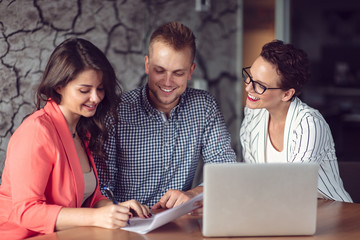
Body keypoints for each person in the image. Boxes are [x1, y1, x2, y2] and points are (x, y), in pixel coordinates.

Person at [0, 38, 151, 239]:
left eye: (100, 88)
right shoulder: (36, 131)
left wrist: (115, 209)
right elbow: (26, 211)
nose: (96, 98)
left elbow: (90, 195)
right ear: (59, 86)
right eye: (84, 90)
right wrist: (96, 217)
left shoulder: (82, 131)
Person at [95, 22, 236, 210]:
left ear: (191, 71)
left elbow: (224, 171)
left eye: (178, 73)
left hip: (180, 223)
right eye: (159, 71)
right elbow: (102, 186)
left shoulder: (204, 107)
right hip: (128, 224)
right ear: (147, 64)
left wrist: (193, 194)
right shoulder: (116, 111)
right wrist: (119, 208)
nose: (167, 82)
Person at [239, 40, 352, 202]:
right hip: (278, 209)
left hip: (331, 212)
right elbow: (252, 173)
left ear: (287, 94)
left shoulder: (309, 124)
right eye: (250, 76)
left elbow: (293, 186)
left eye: (260, 86)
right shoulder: (254, 113)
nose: (248, 88)